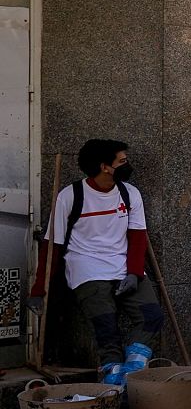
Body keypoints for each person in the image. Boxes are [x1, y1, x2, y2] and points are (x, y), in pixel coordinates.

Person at [28, 139, 162, 387]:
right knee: (106, 325)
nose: (127, 164)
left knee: (151, 315)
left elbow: (138, 237)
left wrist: (134, 273)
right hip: (86, 268)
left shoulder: (129, 194)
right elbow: (52, 246)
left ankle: (132, 369)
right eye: (122, 161)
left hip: (123, 266)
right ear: (105, 167)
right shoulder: (70, 196)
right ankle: (113, 381)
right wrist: (38, 290)